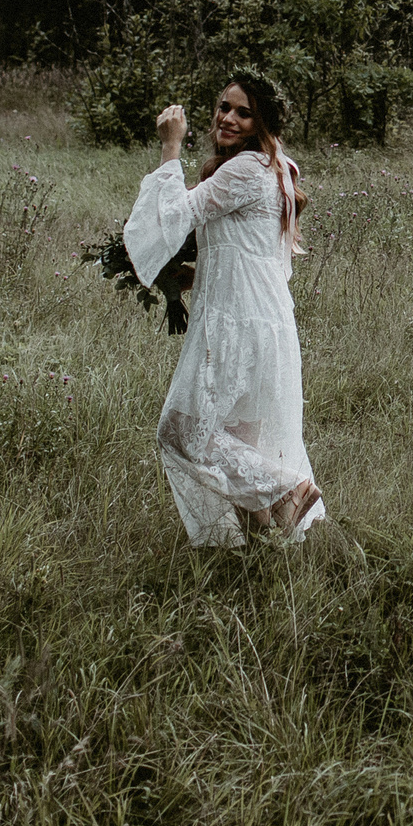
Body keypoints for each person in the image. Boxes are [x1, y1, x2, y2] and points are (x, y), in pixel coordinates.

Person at [123, 73, 324, 545]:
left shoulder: (246, 169)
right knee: (242, 436)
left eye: (243, 112)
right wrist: (193, 276)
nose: (227, 118)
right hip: (262, 316)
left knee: (180, 432)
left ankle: (288, 490)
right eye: (223, 107)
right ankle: (254, 556)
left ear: (261, 123)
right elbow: (255, 253)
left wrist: (170, 148)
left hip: (235, 322)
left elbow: (174, 217)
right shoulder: (276, 168)